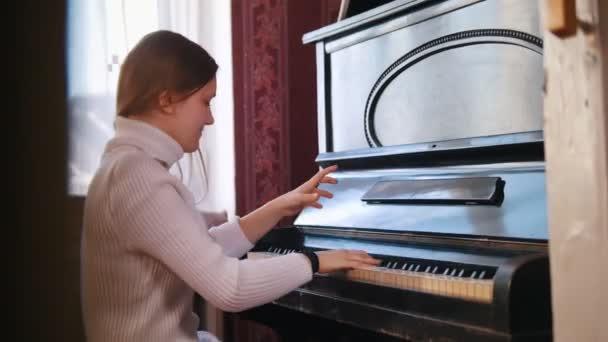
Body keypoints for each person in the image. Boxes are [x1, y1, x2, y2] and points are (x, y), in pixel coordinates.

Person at [80, 30, 380, 342]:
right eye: (205, 102)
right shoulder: (138, 177)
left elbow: (196, 252)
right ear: (167, 100)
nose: (209, 119)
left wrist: (278, 207)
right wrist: (316, 260)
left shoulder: (127, 167)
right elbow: (229, 289)